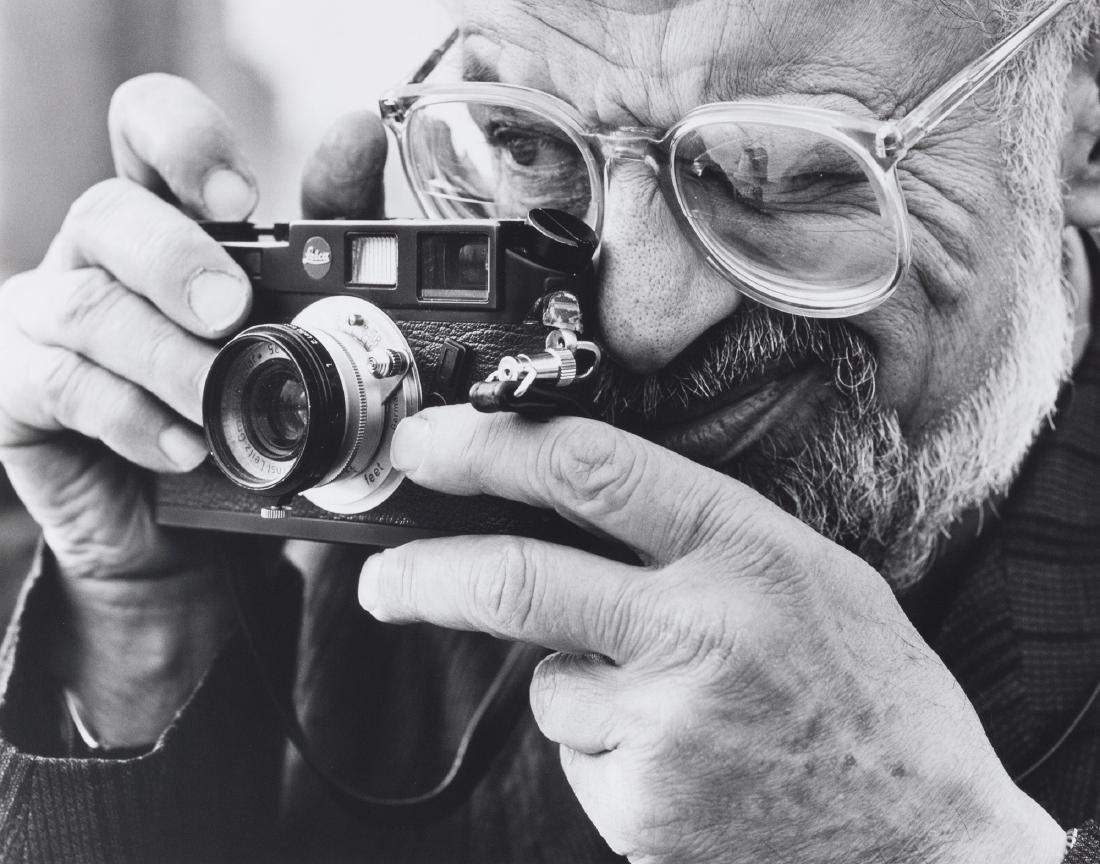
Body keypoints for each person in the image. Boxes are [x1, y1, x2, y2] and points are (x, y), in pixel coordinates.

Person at [2, 0, 1100, 861]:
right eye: (528, 146)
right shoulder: (365, 472)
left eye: (786, 178)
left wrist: (937, 847)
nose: (634, 317)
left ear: (1077, 141)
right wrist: (140, 621)